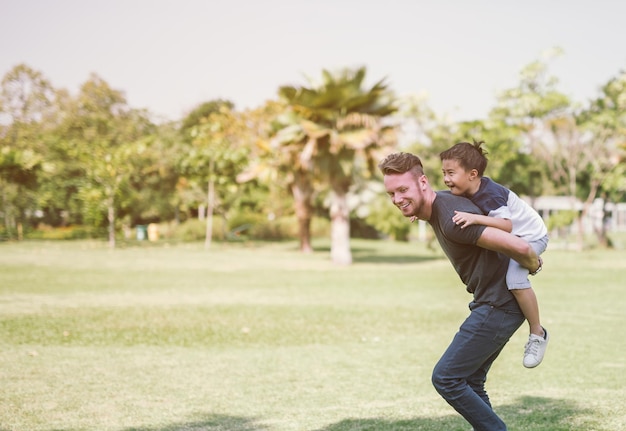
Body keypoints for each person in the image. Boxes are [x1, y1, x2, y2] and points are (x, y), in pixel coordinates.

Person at [378, 152, 542, 431]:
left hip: (498, 304)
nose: (396, 199)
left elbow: (522, 248)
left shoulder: (453, 218)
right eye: (391, 193)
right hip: (490, 302)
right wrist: (414, 207)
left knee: (446, 377)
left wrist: (533, 263)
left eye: (403, 190)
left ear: (423, 182)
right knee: (472, 381)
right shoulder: (439, 206)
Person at [439, 141, 549, 368]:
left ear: (472, 174)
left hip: (531, 236)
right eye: (443, 173)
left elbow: (507, 225)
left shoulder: (490, 194)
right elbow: (438, 198)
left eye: (451, 173)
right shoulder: (468, 189)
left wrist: (475, 218)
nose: (446, 179)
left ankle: (537, 333)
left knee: (515, 281)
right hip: (517, 239)